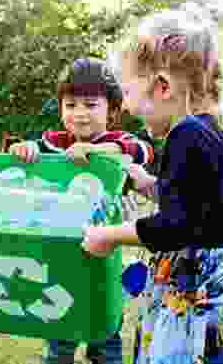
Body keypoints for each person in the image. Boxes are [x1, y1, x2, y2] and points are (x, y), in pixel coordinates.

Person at [81, 4, 223, 364]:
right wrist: (149, 185)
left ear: (161, 86)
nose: (125, 106)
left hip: (202, 290)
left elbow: (176, 227)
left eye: (127, 91)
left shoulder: (185, 135)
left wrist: (108, 236)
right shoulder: (207, 128)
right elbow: (198, 206)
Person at [9, 57, 155, 364]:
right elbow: (31, 149)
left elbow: (143, 150)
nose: (79, 114)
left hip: (106, 254)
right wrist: (25, 149)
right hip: (61, 251)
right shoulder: (56, 143)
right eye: (71, 105)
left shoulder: (117, 141)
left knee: (105, 332)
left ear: (112, 111)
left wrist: (96, 150)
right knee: (60, 325)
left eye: (90, 105)